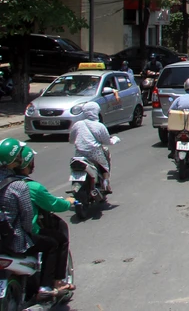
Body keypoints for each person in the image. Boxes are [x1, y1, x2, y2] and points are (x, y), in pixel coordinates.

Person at [0, 138, 67, 298]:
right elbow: (27, 220)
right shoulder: (19, 186)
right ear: (15, 161)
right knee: (52, 243)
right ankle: (45, 287)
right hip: (14, 240)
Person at [14, 145, 74, 295]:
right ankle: (51, 284)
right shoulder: (30, 187)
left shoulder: (5, 183)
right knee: (56, 241)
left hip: (5, 235)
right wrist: (68, 203)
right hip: (21, 236)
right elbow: (53, 204)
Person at [68, 102, 112, 194]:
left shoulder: (77, 124)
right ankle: (106, 184)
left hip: (79, 155)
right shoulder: (100, 126)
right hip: (95, 155)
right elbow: (107, 141)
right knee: (104, 167)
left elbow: (71, 140)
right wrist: (115, 140)